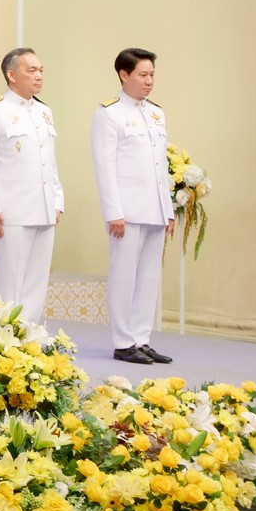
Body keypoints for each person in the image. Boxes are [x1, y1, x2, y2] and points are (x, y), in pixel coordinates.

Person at [91, 48, 174, 366]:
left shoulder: (156, 113)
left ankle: (142, 338)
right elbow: (105, 166)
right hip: (126, 211)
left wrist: (167, 210)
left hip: (154, 209)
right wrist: (113, 211)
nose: (149, 81)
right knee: (124, 277)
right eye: (143, 74)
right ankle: (123, 341)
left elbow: (160, 166)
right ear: (124, 75)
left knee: (149, 277)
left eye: (152, 75)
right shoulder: (109, 114)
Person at [0, 46, 64, 334]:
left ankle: (29, 336)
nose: (39, 76)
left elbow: (49, 162)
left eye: (41, 70)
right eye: (31, 70)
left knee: (37, 281)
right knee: (11, 282)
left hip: (44, 207)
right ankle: (5, 338)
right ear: (12, 75)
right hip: (11, 210)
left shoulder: (44, 111)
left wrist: (57, 200)